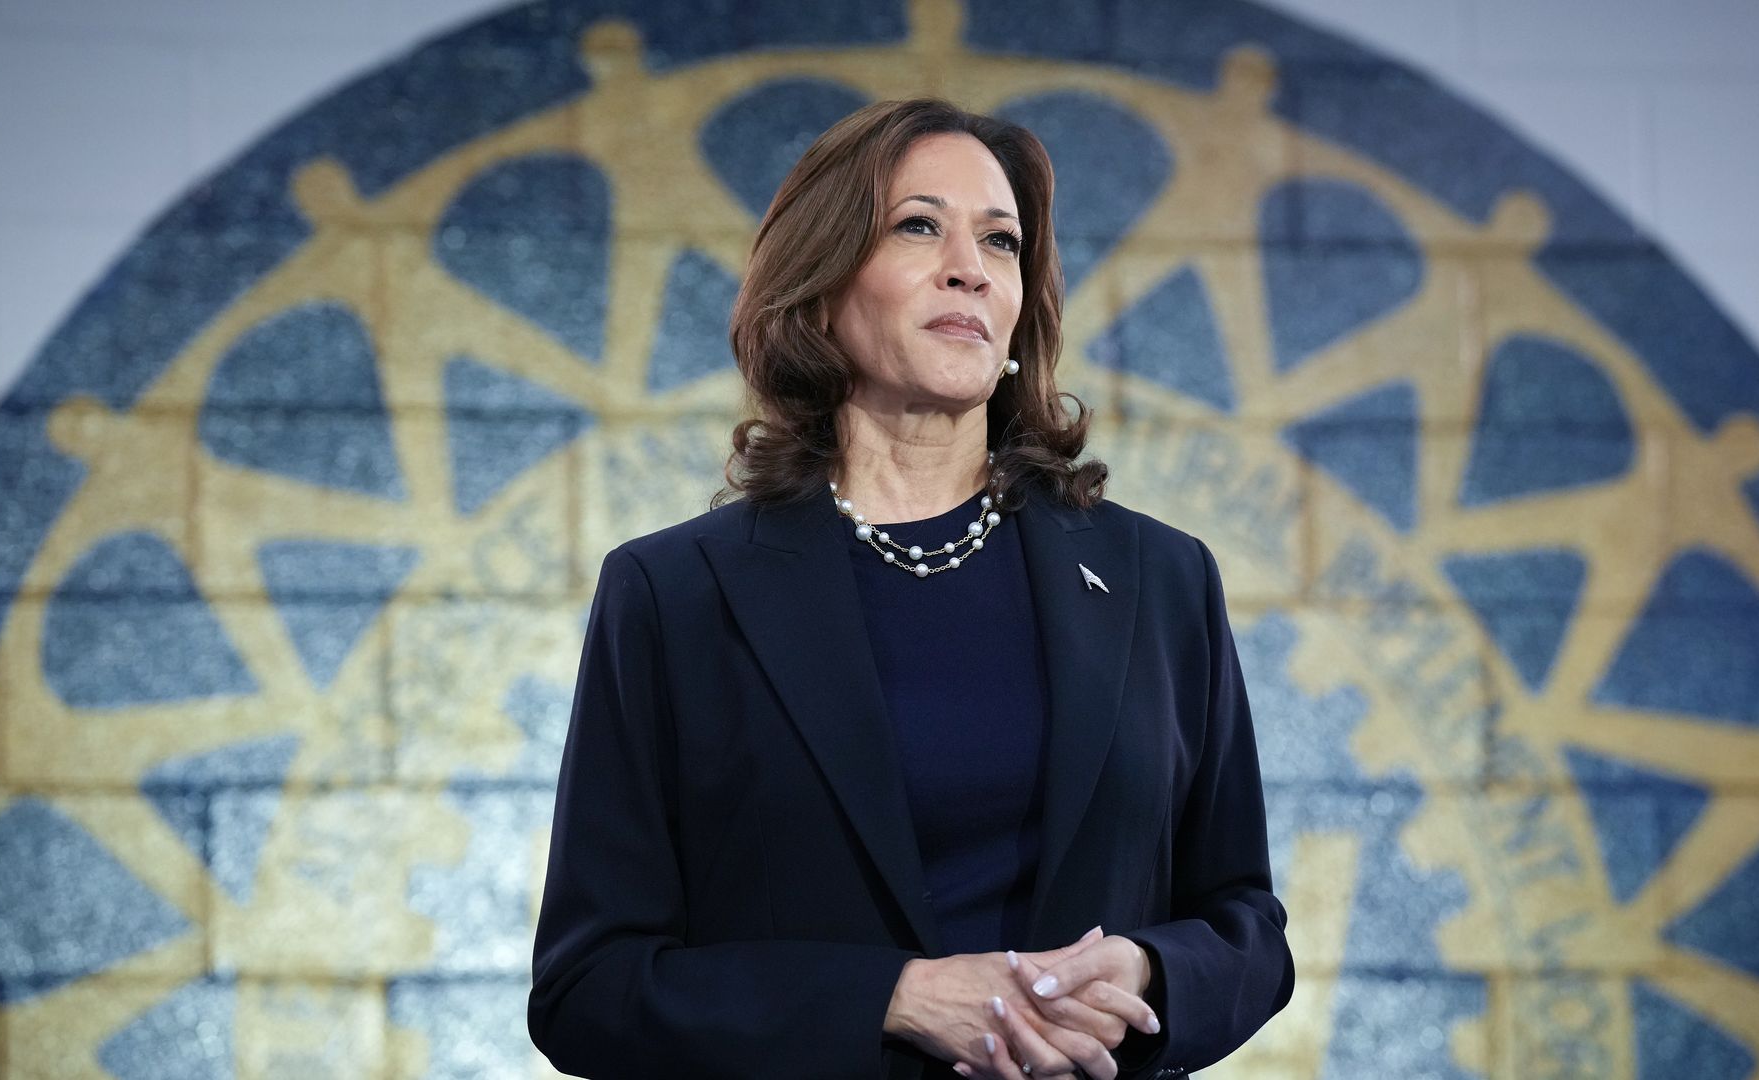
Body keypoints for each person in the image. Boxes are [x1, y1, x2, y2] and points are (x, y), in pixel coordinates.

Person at [527, 97, 1293, 1080]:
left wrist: (1149, 973)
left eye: (1002, 241)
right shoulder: (674, 594)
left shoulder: (1161, 578)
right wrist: (891, 999)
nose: (970, 267)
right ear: (820, 287)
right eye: (918, 226)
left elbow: (1247, 929)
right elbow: (589, 988)